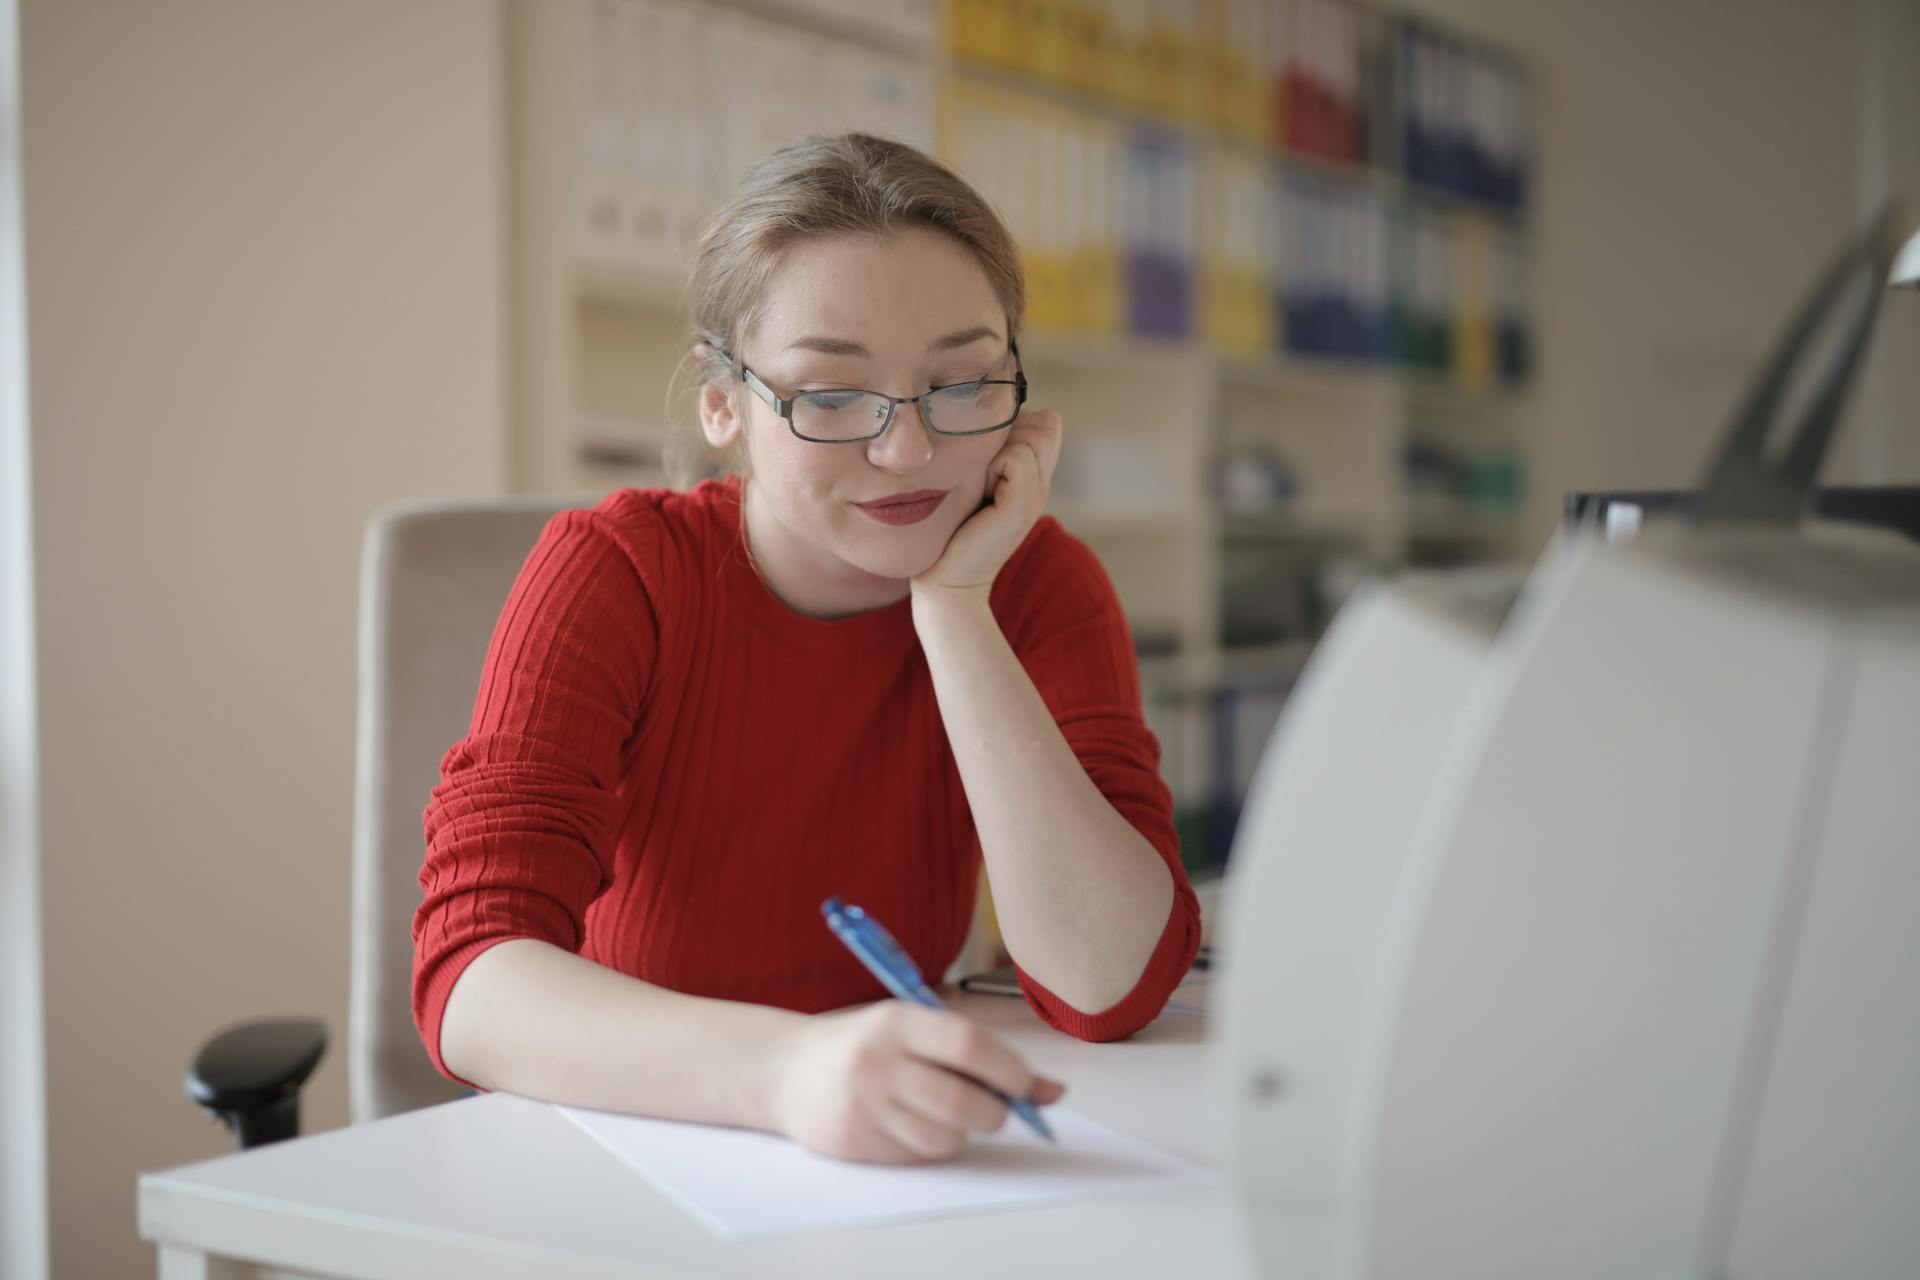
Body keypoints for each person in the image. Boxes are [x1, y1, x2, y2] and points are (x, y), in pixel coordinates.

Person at [412, 133, 1202, 1166]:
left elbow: (1110, 981)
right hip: (634, 1144)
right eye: (831, 397)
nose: (908, 451)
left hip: (884, 1152)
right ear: (723, 403)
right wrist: (789, 1073)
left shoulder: (1039, 583)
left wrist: (956, 606)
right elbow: (471, 976)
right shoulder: (616, 573)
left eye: (963, 383)